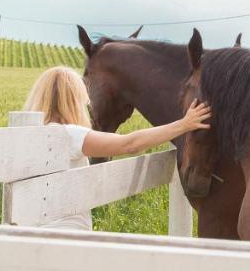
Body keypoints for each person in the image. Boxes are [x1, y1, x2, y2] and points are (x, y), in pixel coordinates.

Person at [21, 65, 211, 230]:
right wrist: (184, 125)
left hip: (29, 234)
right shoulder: (70, 135)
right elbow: (129, 144)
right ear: (73, 101)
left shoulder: (25, 134)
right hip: (68, 234)